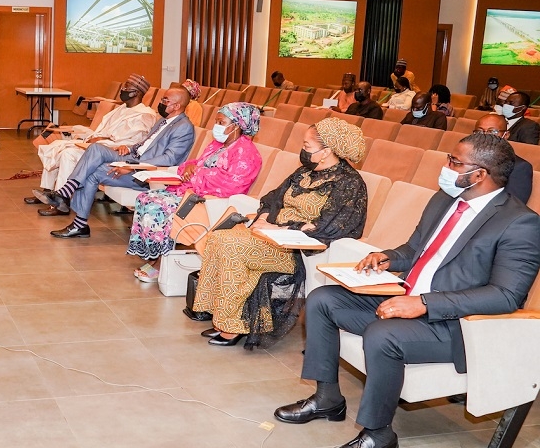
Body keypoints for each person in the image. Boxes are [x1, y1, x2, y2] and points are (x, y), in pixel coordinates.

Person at [274, 133, 540, 448]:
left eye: (454, 162)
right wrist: (386, 257)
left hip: (453, 325)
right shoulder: (445, 199)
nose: (446, 167)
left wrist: (426, 303)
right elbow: (416, 250)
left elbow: (506, 295)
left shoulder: (520, 223)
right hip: (407, 301)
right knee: (323, 299)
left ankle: (378, 435)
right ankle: (327, 399)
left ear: (479, 175)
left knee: (383, 335)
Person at [189, 118, 368, 348]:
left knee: (233, 246)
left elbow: (329, 228)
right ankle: (222, 316)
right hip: (270, 237)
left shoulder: (349, 184)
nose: (302, 151)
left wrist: (280, 228)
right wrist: (263, 217)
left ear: (327, 152)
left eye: (307, 147)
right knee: (218, 237)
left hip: (296, 251)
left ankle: (232, 326)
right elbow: (273, 198)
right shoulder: (304, 172)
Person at [34, 87, 195, 239]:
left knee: (94, 173)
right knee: (96, 148)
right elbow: (146, 145)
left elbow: (169, 159)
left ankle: (78, 222)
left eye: (165, 100)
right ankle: (67, 192)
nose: (161, 102)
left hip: (146, 172)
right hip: (133, 158)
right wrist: (129, 148)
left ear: (176, 106)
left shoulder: (184, 127)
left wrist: (131, 166)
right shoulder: (163, 121)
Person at [129, 103, 263, 282]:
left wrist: (197, 173)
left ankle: (160, 262)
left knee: (157, 205)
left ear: (237, 125)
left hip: (211, 202)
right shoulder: (218, 145)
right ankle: (155, 255)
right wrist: (190, 168)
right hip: (193, 192)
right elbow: (198, 163)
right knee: (145, 197)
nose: (216, 126)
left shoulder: (246, 152)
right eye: (216, 121)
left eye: (221, 122)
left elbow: (231, 184)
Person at [28, 74, 157, 211]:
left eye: (126, 87)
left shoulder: (145, 114)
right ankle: (48, 191)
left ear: (135, 92)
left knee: (68, 154)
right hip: (97, 144)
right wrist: (93, 138)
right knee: (56, 146)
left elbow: (132, 142)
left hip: (110, 151)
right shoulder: (122, 108)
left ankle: (61, 202)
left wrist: (102, 140)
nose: (122, 90)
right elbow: (103, 130)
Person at [473, 114, 533, 204]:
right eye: (479, 132)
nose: (485, 136)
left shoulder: (519, 167)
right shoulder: (467, 158)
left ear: (506, 135)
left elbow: (512, 205)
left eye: (493, 131)